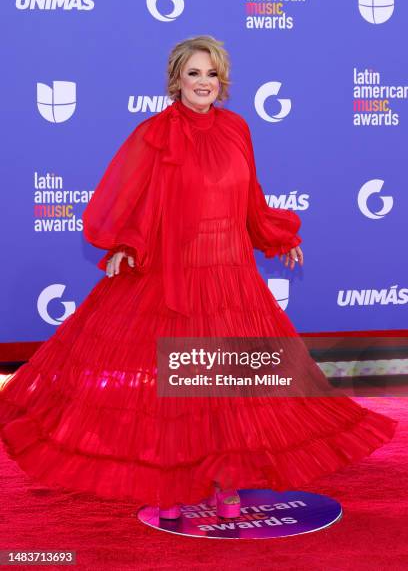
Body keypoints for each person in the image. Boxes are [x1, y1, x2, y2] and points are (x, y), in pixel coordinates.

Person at [0, 35, 397, 521]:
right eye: (194, 74)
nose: (203, 83)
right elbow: (131, 198)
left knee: (227, 383)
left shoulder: (236, 129)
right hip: (175, 279)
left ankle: (226, 483)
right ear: (176, 80)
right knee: (179, 385)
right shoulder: (154, 133)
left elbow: (251, 196)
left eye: (211, 74)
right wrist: (125, 246)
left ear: (222, 80)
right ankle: (177, 486)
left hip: (231, 276)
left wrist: (277, 236)